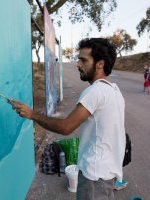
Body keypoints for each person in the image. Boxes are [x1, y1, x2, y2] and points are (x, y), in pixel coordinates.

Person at [11, 38, 126, 200]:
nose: (78, 64)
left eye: (83, 60)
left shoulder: (95, 91)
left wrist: (32, 114)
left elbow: (66, 127)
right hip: (107, 173)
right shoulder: (114, 90)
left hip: (95, 175)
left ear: (100, 64)